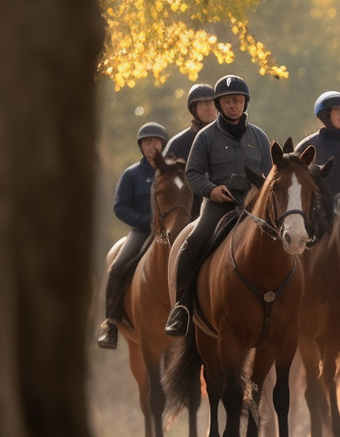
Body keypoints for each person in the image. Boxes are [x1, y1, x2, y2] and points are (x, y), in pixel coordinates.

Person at [163, 74, 274, 337]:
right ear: (219, 105)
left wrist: (261, 194)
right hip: (218, 205)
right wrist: (211, 191)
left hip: (253, 208)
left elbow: (271, 176)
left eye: (236, 100)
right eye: (226, 101)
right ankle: (181, 308)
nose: (232, 105)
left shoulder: (258, 137)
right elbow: (192, 173)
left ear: (245, 103)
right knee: (194, 241)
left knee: (283, 241)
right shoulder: (205, 136)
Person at [95, 121, 170, 349]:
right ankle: (111, 325)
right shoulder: (132, 175)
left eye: (156, 141)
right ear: (141, 146)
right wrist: (147, 221)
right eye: (147, 142)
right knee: (117, 268)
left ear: (163, 144)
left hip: (171, 231)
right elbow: (120, 207)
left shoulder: (173, 171)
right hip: (142, 231)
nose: (152, 146)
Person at [165, 83, 217, 218]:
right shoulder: (178, 144)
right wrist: (184, 187)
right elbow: (166, 179)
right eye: (202, 104)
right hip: (188, 210)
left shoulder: (229, 137)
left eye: (210, 103)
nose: (207, 107)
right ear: (194, 109)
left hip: (225, 202)